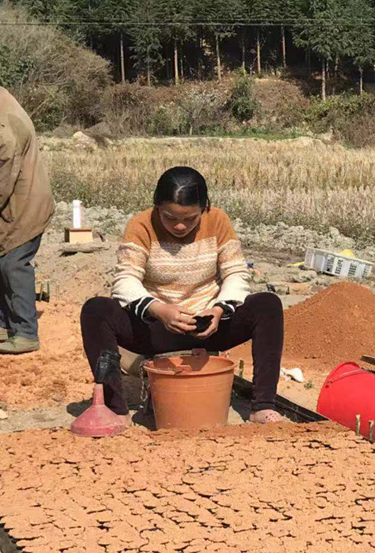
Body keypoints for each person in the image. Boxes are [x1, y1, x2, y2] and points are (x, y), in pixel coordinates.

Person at [80, 166, 285, 424]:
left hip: (208, 325)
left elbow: (236, 274)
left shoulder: (218, 221)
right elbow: (125, 281)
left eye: (190, 219)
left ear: (204, 209)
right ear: (156, 207)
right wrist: (159, 309)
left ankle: (263, 405)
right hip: (157, 326)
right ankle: (114, 409)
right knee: (95, 310)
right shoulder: (141, 225)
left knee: (267, 305)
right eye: (169, 217)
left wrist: (219, 310)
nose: (179, 225)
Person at [0, 87, 54, 354]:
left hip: (24, 206)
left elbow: (2, 179)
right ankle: (4, 325)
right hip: (16, 203)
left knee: (13, 263)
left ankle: (25, 333)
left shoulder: (4, 127)